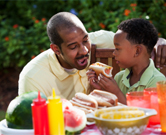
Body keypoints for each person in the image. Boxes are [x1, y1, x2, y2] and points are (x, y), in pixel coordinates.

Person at [19, 12, 166, 100]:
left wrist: (158, 41)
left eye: (85, 40)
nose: (84, 50)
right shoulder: (33, 77)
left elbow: (135, 42)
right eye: (73, 47)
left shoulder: (99, 39)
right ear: (56, 49)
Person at [87, 18, 166, 105]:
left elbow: (142, 116)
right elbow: (111, 108)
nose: (114, 53)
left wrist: (116, 92)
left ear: (137, 51)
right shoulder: (119, 77)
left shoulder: (157, 81)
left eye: (117, 49)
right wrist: (99, 89)